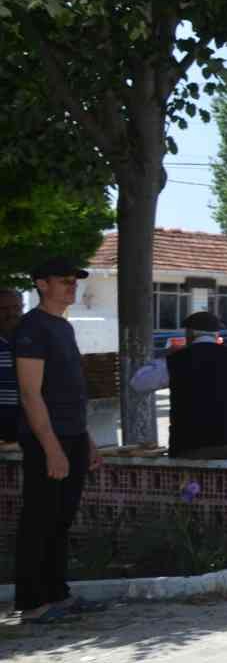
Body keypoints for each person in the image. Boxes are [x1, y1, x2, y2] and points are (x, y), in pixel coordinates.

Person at [11, 258, 104, 624]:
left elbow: (71, 392)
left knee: (61, 520)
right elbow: (31, 394)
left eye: (74, 281)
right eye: (64, 281)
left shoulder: (62, 327)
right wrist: (51, 447)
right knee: (39, 519)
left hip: (72, 435)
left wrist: (87, 441)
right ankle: (32, 602)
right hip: (46, 439)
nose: (71, 286)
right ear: (41, 284)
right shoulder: (32, 328)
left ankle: (56, 595)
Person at [129, 311, 227, 459]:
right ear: (217, 335)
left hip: (191, 448)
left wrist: (166, 357)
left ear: (189, 334)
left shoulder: (176, 361)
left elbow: (137, 383)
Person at [0, 288, 21, 443]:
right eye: (4, 309)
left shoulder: (33, 340)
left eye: (16, 308)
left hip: (31, 424)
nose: (11, 313)